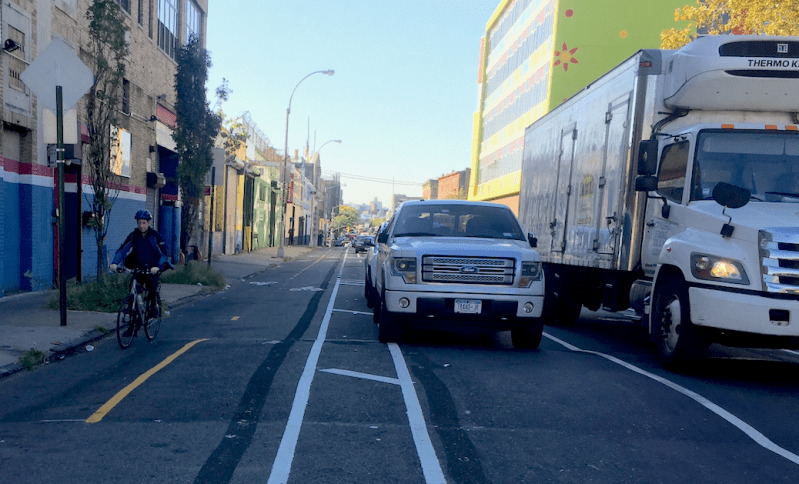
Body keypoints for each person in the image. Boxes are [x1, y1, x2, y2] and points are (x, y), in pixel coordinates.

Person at [110, 210, 174, 323]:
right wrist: (115, 263)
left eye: (144, 223)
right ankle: (133, 316)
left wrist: (158, 267)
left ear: (149, 223)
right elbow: (123, 250)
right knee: (133, 287)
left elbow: (163, 254)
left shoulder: (155, 236)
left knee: (152, 283)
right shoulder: (134, 236)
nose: (141, 225)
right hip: (139, 266)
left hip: (153, 267)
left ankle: (154, 306)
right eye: (139, 223)